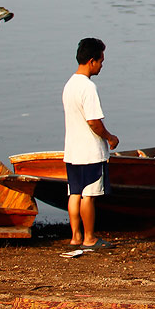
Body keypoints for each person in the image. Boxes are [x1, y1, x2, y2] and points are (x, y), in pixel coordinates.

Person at [62, 37, 119, 249]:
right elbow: (94, 122)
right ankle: (89, 238)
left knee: (74, 193)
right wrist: (110, 138)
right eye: (101, 60)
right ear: (92, 61)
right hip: (90, 153)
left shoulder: (69, 85)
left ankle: (75, 237)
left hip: (73, 151)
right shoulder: (88, 87)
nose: (102, 65)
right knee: (89, 196)